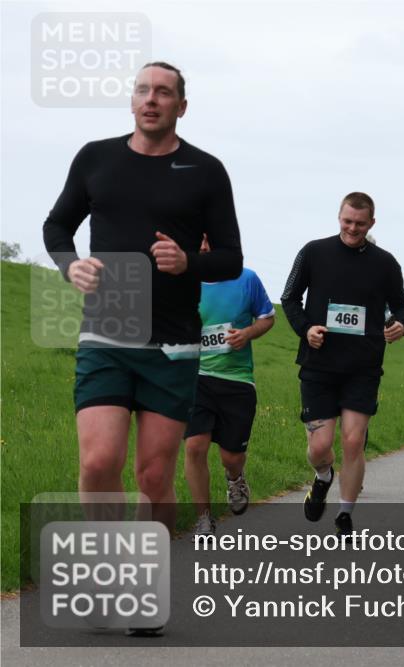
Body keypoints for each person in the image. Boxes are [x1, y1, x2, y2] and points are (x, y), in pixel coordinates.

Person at [42, 62, 242, 636]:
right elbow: (57, 226)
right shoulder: (95, 158)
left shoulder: (206, 171)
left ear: (182, 105)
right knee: (98, 461)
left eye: (163, 93)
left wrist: (191, 262)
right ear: (132, 101)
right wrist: (69, 264)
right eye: (142, 90)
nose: (150, 100)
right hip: (106, 331)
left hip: (173, 345)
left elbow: (229, 255)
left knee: (154, 477)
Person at [281, 192, 404, 538]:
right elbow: (289, 298)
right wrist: (306, 328)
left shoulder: (385, 263)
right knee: (320, 447)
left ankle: (344, 515)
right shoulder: (313, 252)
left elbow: (402, 307)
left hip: (363, 366)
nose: (352, 228)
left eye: (360, 223)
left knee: (353, 442)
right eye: (347, 221)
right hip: (319, 365)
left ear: (371, 223)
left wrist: (401, 324)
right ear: (339, 217)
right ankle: (323, 477)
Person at [185, 236, 275, 538]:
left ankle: (235, 478)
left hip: (237, 380)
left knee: (231, 457)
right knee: (194, 446)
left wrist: (247, 333)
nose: (205, 248)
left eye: (211, 241)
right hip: (196, 377)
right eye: (199, 242)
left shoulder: (246, 279)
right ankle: (204, 519)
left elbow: (267, 317)